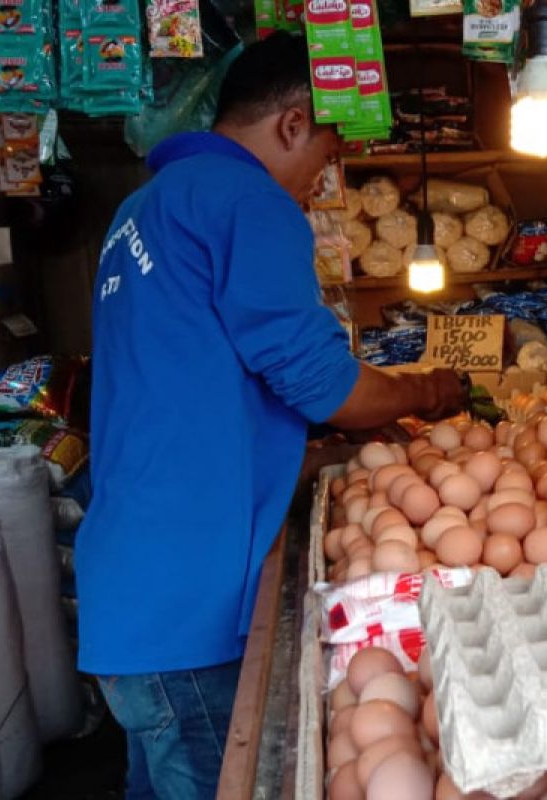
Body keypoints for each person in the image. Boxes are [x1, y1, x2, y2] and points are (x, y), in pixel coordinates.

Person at [75, 32, 465, 799]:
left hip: (131, 588)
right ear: (292, 124)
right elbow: (325, 384)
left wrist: (310, 459)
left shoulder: (142, 208)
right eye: (323, 156)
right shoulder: (246, 200)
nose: (318, 181)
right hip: (190, 601)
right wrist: (428, 392)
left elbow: (189, 387)